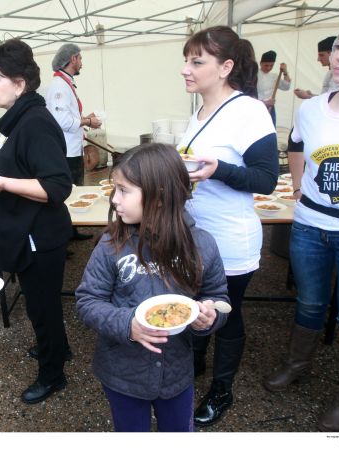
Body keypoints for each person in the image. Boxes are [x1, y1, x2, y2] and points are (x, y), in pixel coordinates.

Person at [263, 12, 339, 432]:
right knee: (309, 301)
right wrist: (296, 184)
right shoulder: (311, 109)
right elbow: (295, 142)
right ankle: (297, 363)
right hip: (308, 226)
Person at [75, 144, 229, 432]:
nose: (114, 199)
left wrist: (210, 317)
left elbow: (218, 296)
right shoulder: (111, 246)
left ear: (159, 196)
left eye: (123, 190)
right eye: (114, 189)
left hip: (177, 375)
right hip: (123, 375)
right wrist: (128, 324)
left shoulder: (202, 245)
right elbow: (87, 301)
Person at [178, 26, 279, 427]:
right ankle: (195, 363)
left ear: (226, 67)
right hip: (194, 236)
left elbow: (266, 178)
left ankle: (222, 389)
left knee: (225, 311)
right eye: (186, 60)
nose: (186, 69)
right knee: (197, 304)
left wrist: (218, 170)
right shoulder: (197, 112)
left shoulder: (248, 110)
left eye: (196, 61)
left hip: (231, 240)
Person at [0, 39, 73, 405]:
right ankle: (57, 350)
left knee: (41, 308)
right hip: (28, 230)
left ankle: (53, 374)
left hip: (39, 236)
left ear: (20, 83)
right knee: (41, 304)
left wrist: (1, 182)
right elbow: (25, 172)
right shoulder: (20, 120)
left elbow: (59, 185)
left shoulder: (35, 122)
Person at [45, 43, 102, 241]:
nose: (82, 64)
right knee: (67, 193)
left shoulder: (65, 83)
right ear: (72, 60)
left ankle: (71, 231)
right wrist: (87, 121)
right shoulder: (59, 86)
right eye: (80, 59)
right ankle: (62, 236)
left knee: (74, 190)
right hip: (66, 151)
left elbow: (68, 116)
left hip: (72, 148)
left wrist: (84, 118)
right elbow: (62, 121)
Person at [257, 50, 291, 125]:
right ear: (261, 63)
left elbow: (286, 86)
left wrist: (285, 71)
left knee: (270, 131)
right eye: (266, 65)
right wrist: (264, 103)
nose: (269, 68)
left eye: (271, 65)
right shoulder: (254, 75)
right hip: (257, 107)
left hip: (270, 108)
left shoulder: (274, 77)